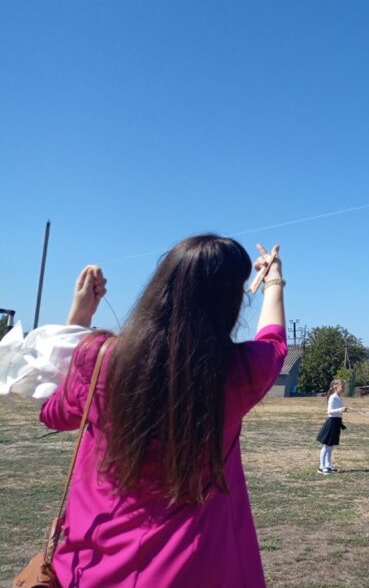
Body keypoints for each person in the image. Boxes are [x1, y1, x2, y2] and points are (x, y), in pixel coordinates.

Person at [39, 235, 287, 587]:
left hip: (91, 565)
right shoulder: (240, 371)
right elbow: (273, 341)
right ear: (231, 301)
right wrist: (274, 280)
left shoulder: (98, 358)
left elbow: (54, 413)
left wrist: (79, 318)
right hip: (195, 569)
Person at [316, 378, 348, 473]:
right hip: (331, 423)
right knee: (326, 446)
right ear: (335, 387)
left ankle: (328, 465)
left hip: (336, 423)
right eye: (342, 386)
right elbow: (329, 411)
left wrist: (342, 411)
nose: (343, 388)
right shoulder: (333, 397)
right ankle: (321, 467)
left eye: (344, 387)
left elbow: (338, 412)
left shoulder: (339, 398)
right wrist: (341, 409)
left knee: (331, 446)